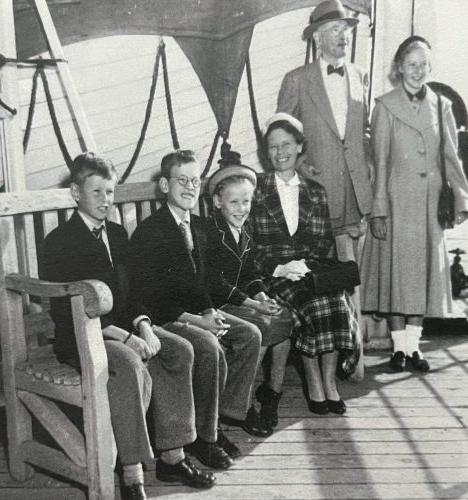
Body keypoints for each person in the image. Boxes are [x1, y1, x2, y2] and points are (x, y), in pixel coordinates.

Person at [41, 153, 215, 500]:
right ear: (76, 193)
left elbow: (133, 292)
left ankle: (172, 455)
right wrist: (123, 335)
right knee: (129, 362)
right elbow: (64, 310)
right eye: (97, 193)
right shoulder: (59, 241)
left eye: (110, 192)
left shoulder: (118, 235)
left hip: (125, 327)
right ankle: (132, 474)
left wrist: (144, 326)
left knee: (179, 349)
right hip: (81, 336)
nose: (106, 200)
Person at [128, 150, 273, 447]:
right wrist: (198, 320)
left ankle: (228, 412)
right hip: (164, 318)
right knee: (210, 346)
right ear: (165, 186)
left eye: (195, 180)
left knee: (249, 334)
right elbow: (152, 296)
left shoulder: (198, 227)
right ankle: (206, 436)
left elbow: (202, 281)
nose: (190, 187)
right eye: (182, 180)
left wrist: (209, 310)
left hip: (195, 313)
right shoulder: (151, 232)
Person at [360, 36, 468, 372]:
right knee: (398, 276)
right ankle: (398, 349)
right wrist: (378, 208)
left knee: (422, 277)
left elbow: (451, 155)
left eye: (424, 65)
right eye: (412, 64)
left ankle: (414, 348)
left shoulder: (442, 106)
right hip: (396, 202)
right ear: (398, 68)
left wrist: (461, 200)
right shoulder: (385, 105)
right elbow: (379, 162)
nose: (418, 71)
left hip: (430, 206)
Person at [250, 113, 357, 416]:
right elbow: (250, 245)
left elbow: (324, 240)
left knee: (335, 300)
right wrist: (281, 268)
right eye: (272, 147)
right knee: (311, 305)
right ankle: (312, 381)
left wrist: (306, 265)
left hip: (310, 270)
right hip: (274, 275)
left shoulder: (315, 191)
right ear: (265, 152)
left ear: (299, 147)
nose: (280, 152)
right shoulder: (256, 190)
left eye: (286, 145)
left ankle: (328, 381)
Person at [277, 0, 374, 257]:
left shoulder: (360, 76)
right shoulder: (296, 80)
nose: (343, 36)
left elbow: (364, 129)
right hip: (316, 189)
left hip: (355, 192)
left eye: (346, 29)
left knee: (352, 270)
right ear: (318, 39)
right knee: (318, 270)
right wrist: (300, 165)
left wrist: (369, 163)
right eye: (335, 29)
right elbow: (281, 137)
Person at [205, 150, 293, 429]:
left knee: (283, 316)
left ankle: (272, 390)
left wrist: (263, 297)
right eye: (234, 202)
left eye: (246, 202)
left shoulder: (243, 233)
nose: (241, 209)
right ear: (218, 202)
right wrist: (253, 306)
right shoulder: (210, 233)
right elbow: (216, 282)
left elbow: (251, 273)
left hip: (241, 301)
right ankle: (241, 404)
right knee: (263, 328)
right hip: (217, 305)